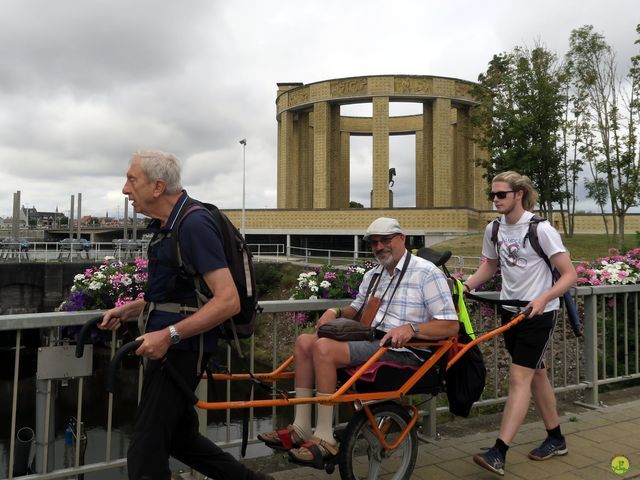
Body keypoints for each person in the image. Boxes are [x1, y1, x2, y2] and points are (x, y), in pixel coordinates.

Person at [99, 150, 273, 480]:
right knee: (180, 438)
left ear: (157, 186)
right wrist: (132, 308)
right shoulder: (169, 225)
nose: (124, 189)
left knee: (145, 454)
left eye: (131, 179)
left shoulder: (193, 224)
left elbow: (227, 301)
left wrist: (168, 336)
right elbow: (181, 293)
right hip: (171, 349)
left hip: (180, 352)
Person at [258, 217, 459, 465]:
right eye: (373, 242)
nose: (378, 246)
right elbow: (356, 308)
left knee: (323, 348)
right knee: (303, 341)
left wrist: (411, 328)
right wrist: (336, 312)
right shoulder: (375, 275)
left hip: (408, 351)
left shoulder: (426, 273)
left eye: (384, 240)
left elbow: (450, 325)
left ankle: (325, 438)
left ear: (401, 239)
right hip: (374, 342)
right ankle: (300, 427)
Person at [463, 171, 578, 476]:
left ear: (519, 194)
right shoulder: (494, 229)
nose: (495, 200)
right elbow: (489, 265)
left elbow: (569, 275)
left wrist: (542, 299)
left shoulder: (541, 229)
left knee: (519, 378)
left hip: (539, 314)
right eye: (492, 195)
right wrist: (466, 286)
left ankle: (499, 451)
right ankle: (556, 438)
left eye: (501, 194)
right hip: (510, 313)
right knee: (536, 375)